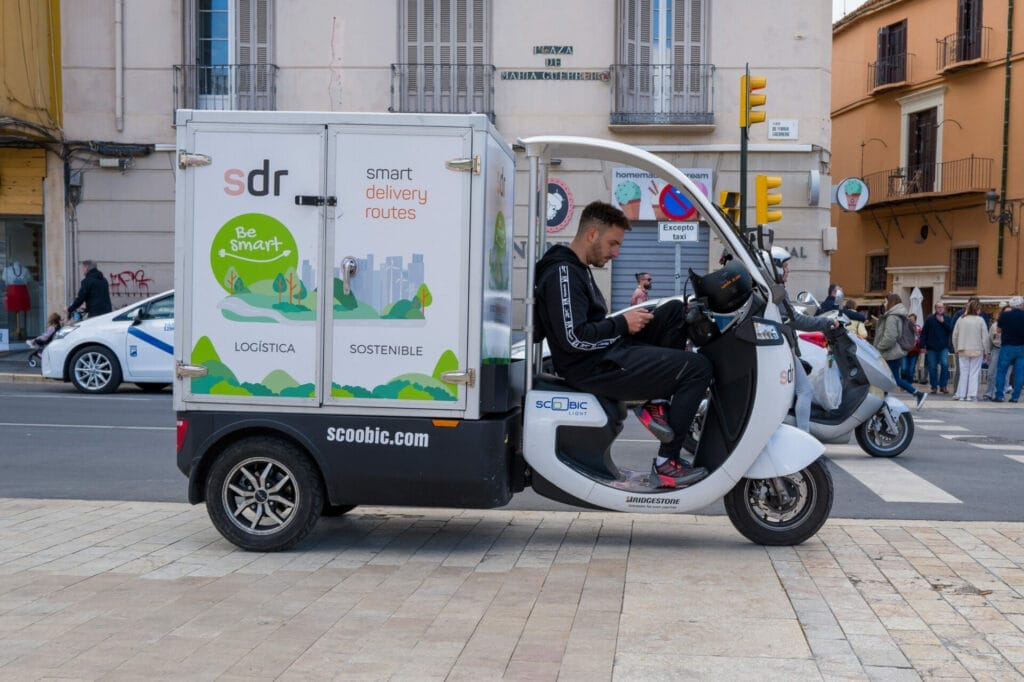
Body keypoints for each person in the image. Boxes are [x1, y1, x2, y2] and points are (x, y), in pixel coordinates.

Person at [533, 201, 713, 488]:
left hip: (605, 353)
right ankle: (666, 462)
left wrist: (625, 325)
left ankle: (657, 404)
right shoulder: (562, 272)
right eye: (612, 243)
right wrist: (622, 324)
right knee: (698, 368)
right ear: (592, 234)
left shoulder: (578, 270)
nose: (616, 253)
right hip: (591, 367)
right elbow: (573, 338)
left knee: (675, 312)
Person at [769, 247, 842, 432]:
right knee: (805, 391)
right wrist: (826, 322)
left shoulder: (773, 289)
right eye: (785, 266)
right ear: (776, 268)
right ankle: (804, 435)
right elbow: (797, 320)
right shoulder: (777, 291)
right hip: (783, 348)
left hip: (782, 347)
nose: (789, 270)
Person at [873, 293, 927, 409]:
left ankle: (918, 394)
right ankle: (882, 400)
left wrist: (878, 348)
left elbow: (890, 337)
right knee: (888, 378)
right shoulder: (897, 315)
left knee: (891, 378)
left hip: (890, 353)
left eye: (885, 301)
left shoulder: (892, 317)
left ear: (891, 302)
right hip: (892, 353)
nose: (884, 303)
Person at [951, 300, 991, 402]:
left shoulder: (961, 319)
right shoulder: (980, 320)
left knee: (963, 372)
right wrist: (987, 351)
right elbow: (985, 337)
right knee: (974, 372)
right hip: (977, 349)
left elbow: (955, 335)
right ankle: (971, 395)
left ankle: (961, 395)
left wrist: (956, 348)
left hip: (962, 349)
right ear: (977, 309)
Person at [992, 296, 1024, 403]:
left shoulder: (1005, 315)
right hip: (1021, 347)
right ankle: (1015, 397)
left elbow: (999, 330)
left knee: (1001, 371)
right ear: (1020, 305)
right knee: (1019, 373)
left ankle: (999, 395)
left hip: (1007, 347)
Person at [920, 302, 954, 394]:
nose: (940, 309)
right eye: (938, 307)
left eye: (942, 307)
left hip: (943, 346)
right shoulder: (930, 318)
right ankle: (934, 387)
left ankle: (943, 386)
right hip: (931, 347)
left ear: (944, 308)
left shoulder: (947, 318)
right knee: (932, 367)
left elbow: (951, 330)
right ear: (935, 308)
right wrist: (922, 345)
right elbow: (924, 332)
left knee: (945, 364)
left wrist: (943, 322)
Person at [984, 305, 1013, 400]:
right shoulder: (995, 325)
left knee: (1006, 374)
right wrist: (988, 352)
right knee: (991, 372)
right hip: (996, 349)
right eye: (1006, 312)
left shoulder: (1015, 324)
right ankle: (989, 393)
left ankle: (1001, 394)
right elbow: (989, 339)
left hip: (1008, 350)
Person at [900, 312, 922, 384]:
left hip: (914, 351)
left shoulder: (918, 329)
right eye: (910, 319)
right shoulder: (903, 328)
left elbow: (920, 339)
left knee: (911, 369)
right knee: (903, 368)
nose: (911, 320)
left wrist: (918, 342)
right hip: (905, 351)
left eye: (913, 319)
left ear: (915, 320)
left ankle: (908, 384)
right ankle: (903, 382)